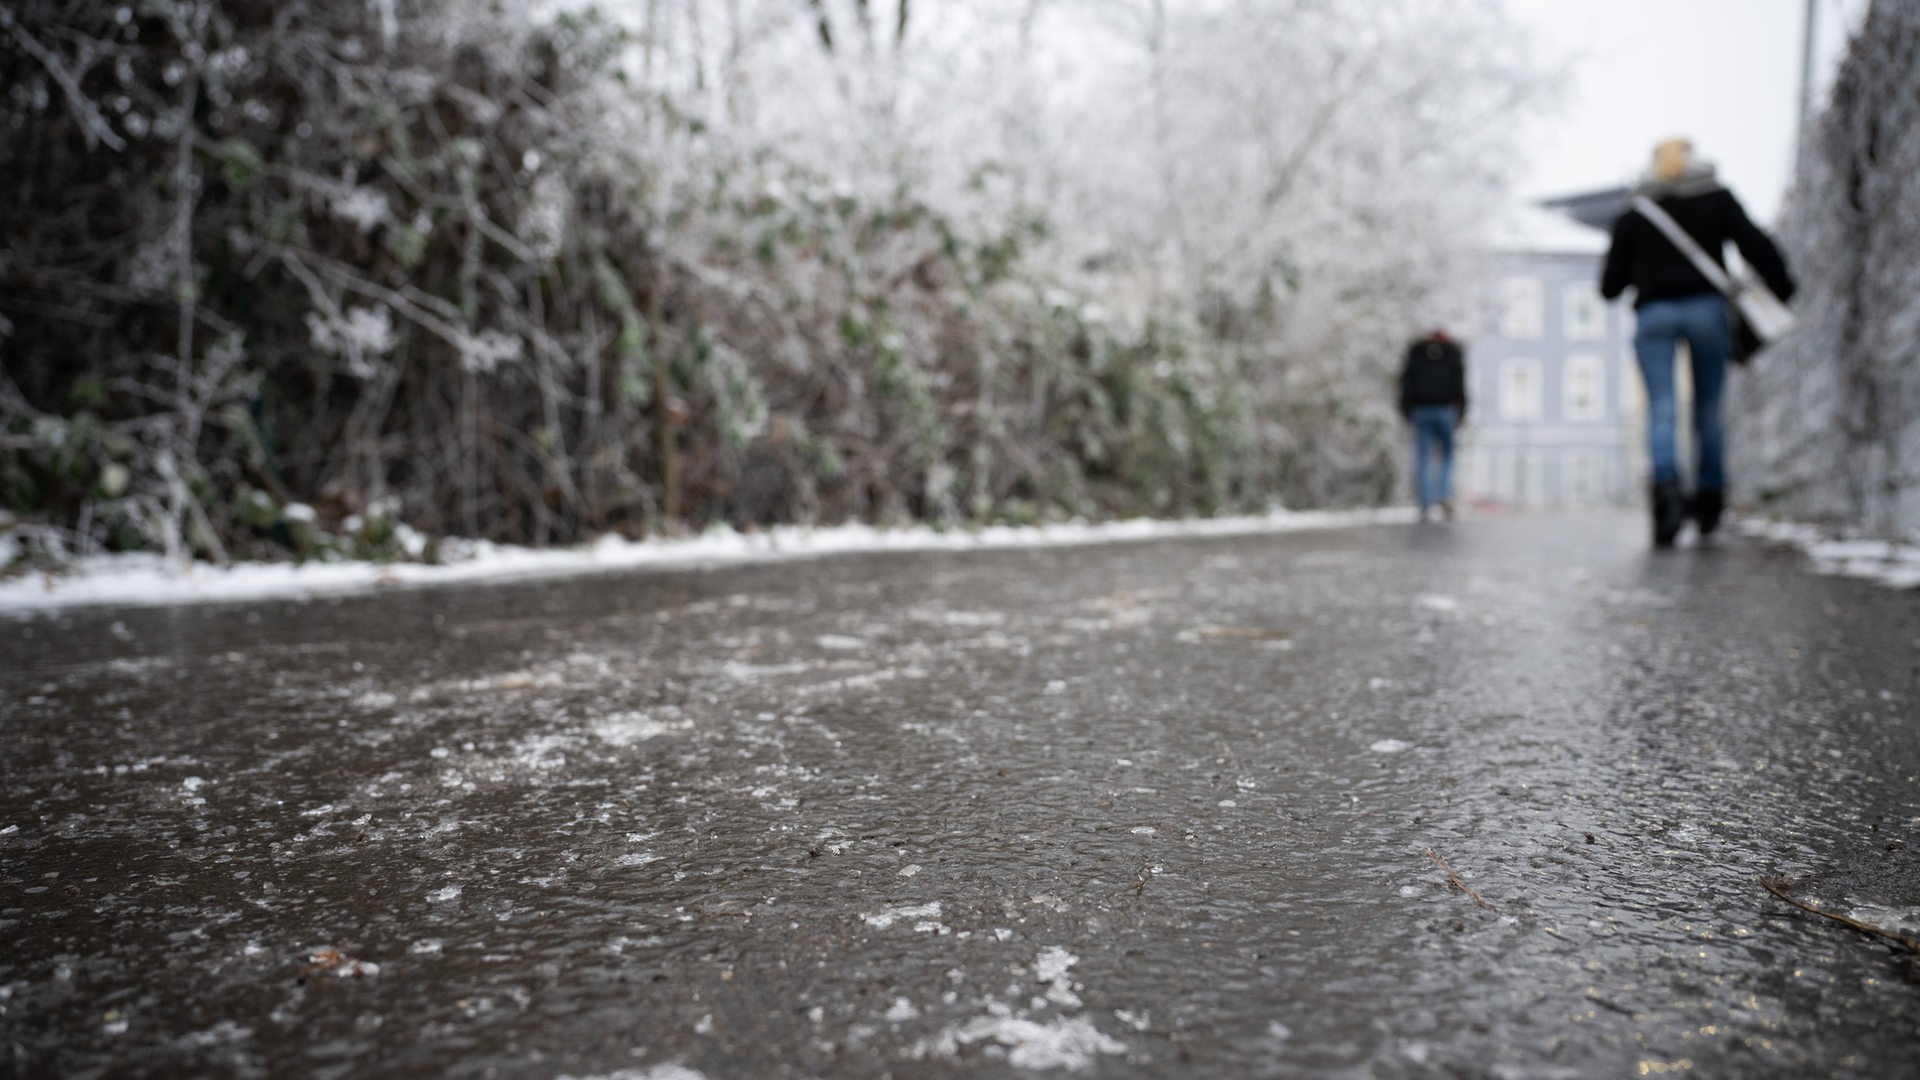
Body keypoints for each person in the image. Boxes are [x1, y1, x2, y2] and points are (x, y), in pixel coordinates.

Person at [1601, 138, 1795, 547]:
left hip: (1653, 314)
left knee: (1662, 408)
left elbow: (1610, 285)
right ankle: (1709, 503)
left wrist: (1643, 266)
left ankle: (1666, 500)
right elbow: (1754, 243)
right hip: (1707, 311)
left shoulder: (1636, 211)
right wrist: (1782, 286)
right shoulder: (1716, 198)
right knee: (1708, 408)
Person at [1399, 329, 1468, 521]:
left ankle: (1425, 503)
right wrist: (1461, 411)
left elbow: (1406, 383)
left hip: (1421, 410)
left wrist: (1406, 410)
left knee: (1423, 457)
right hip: (1446, 410)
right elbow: (1459, 384)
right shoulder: (1452, 353)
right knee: (1446, 456)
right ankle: (1444, 496)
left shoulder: (1417, 353)